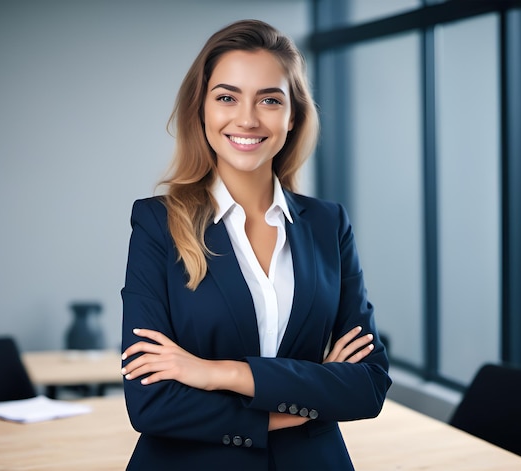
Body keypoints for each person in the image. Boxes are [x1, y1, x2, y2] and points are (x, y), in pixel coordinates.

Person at [120, 19, 391, 471]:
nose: (247, 118)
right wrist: (316, 389)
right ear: (201, 110)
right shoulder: (157, 223)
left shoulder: (328, 224)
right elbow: (151, 404)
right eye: (226, 97)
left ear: (293, 116)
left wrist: (216, 373)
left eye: (269, 100)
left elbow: (367, 385)